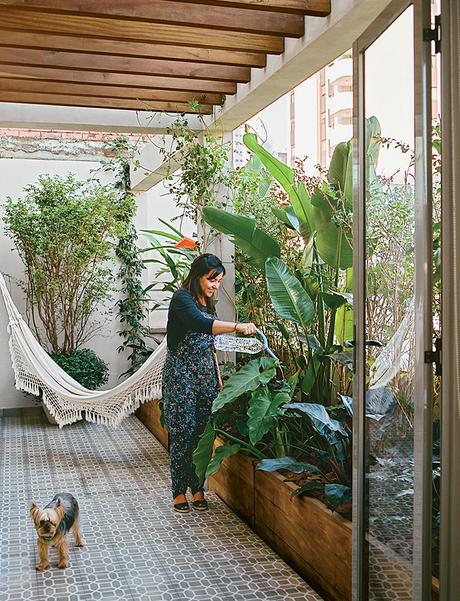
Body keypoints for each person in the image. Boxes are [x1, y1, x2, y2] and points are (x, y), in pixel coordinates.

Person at [162, 253, 257, 513]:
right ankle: (178, 491)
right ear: (197, 276)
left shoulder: (208, 303)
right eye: (211, 279)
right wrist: (237, 326)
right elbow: (200, 324)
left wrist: (218, 379)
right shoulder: (182, 299)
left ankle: (197, 487)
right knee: (183, 432)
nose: (215, 285)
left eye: (219, 281)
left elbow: (211, 344)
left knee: (203, 434)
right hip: (181, 375)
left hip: (205, 376)